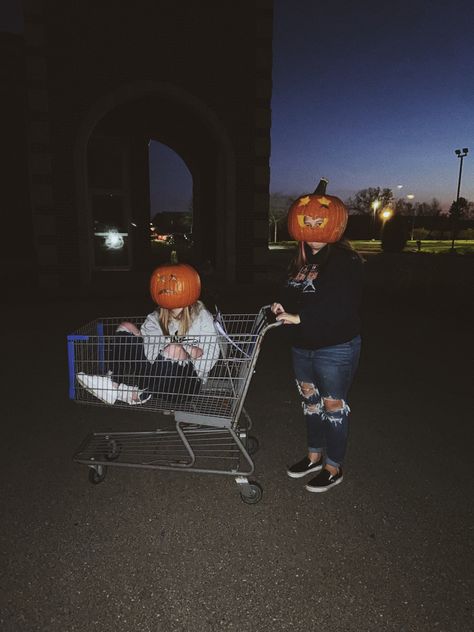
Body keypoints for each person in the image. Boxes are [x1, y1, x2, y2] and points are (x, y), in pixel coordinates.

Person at [271, 238, 363, 493]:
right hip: (302, 346)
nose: (313, 229)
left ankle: (334, 468)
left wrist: (301, 317)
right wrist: (280, 304)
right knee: (311, 403)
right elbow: (290, 292)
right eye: (307, 222)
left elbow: (342, 305)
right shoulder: (301, 261)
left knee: (333, 406)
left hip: (335, 346)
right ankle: (314, 457)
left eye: (318, 221)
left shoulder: (345, 261)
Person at [76, 300, 220, 406]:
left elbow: (209, 357)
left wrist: (183, 354)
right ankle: (113, 384)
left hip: (186, 385)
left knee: (174, 349)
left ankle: (138, 394)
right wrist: (184, 350)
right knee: (126, 327)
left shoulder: (202, 316)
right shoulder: (156, 317)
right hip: (155, 374)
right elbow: (149, 352)